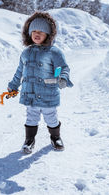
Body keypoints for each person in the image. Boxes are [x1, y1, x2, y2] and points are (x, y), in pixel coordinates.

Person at [7, 12, 73, 154]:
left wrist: (63, 78)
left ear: (48, 34)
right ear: (29, 33)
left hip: (48, 93)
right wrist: (13, 86)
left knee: (51, 118)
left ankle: (55, 137)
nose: (37, 34)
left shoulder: (54, 52)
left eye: (41, 31)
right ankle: (29, 140)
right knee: (31, 117)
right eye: (34, 31)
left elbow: (63, 68)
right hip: (30, 94)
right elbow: (19, 72)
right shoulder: (26, 53)